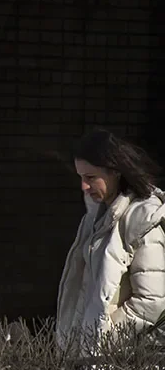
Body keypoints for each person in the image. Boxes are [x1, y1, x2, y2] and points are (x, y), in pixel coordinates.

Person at [56, 127, 165, 358]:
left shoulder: (143, 219)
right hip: (90, 363)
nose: (84, 187)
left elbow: (152, 302)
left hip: (122, 366)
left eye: (91, 177)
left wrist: (102, 338)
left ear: (114, 172)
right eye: (81, 178)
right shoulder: (94, 221)